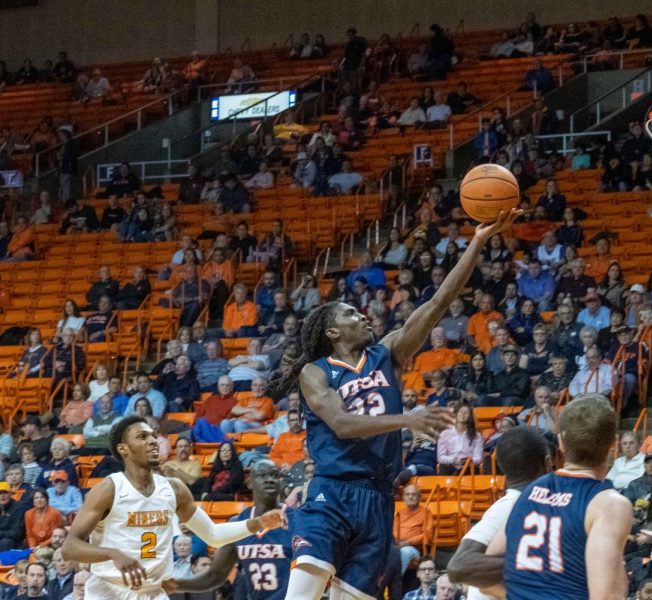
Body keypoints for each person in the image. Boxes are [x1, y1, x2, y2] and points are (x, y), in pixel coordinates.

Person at [288, 210, 518, 599]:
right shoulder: (316, 371)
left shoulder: (387, 352)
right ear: (331, 331)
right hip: (333, 493)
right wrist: (406, 419)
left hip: (378, 499)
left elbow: (439, 302)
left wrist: (476, 242)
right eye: (350, 313)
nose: (362, 314)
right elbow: (342, 424)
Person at [60, 416, 285, 599]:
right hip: (109, 591)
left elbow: (213, 536)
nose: (152, 440)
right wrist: (112, 553)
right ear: (124, 449)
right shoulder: (108, 489)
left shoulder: (174, 489)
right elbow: (69, 548)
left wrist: (257, 523)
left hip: (153, 592)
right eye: (142, 437)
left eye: (153, 436)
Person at [492, 395, 632, 599]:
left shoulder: (530, 490)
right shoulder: (609, 504)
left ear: (561, 442)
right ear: (614, 444)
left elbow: (483, 577)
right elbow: (606, 596)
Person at [447, 427, 550, 600]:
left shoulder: (526, 503)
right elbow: (459, 566)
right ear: (548, 463)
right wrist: (537, 563)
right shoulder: (509, 506)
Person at [162, 460, 290, 599]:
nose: (269, 480)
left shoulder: (298, 520)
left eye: (274, 475)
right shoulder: (238, 524)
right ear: (250, 483)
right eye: (262, 475)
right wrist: (175, 585)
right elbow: (215, 575)